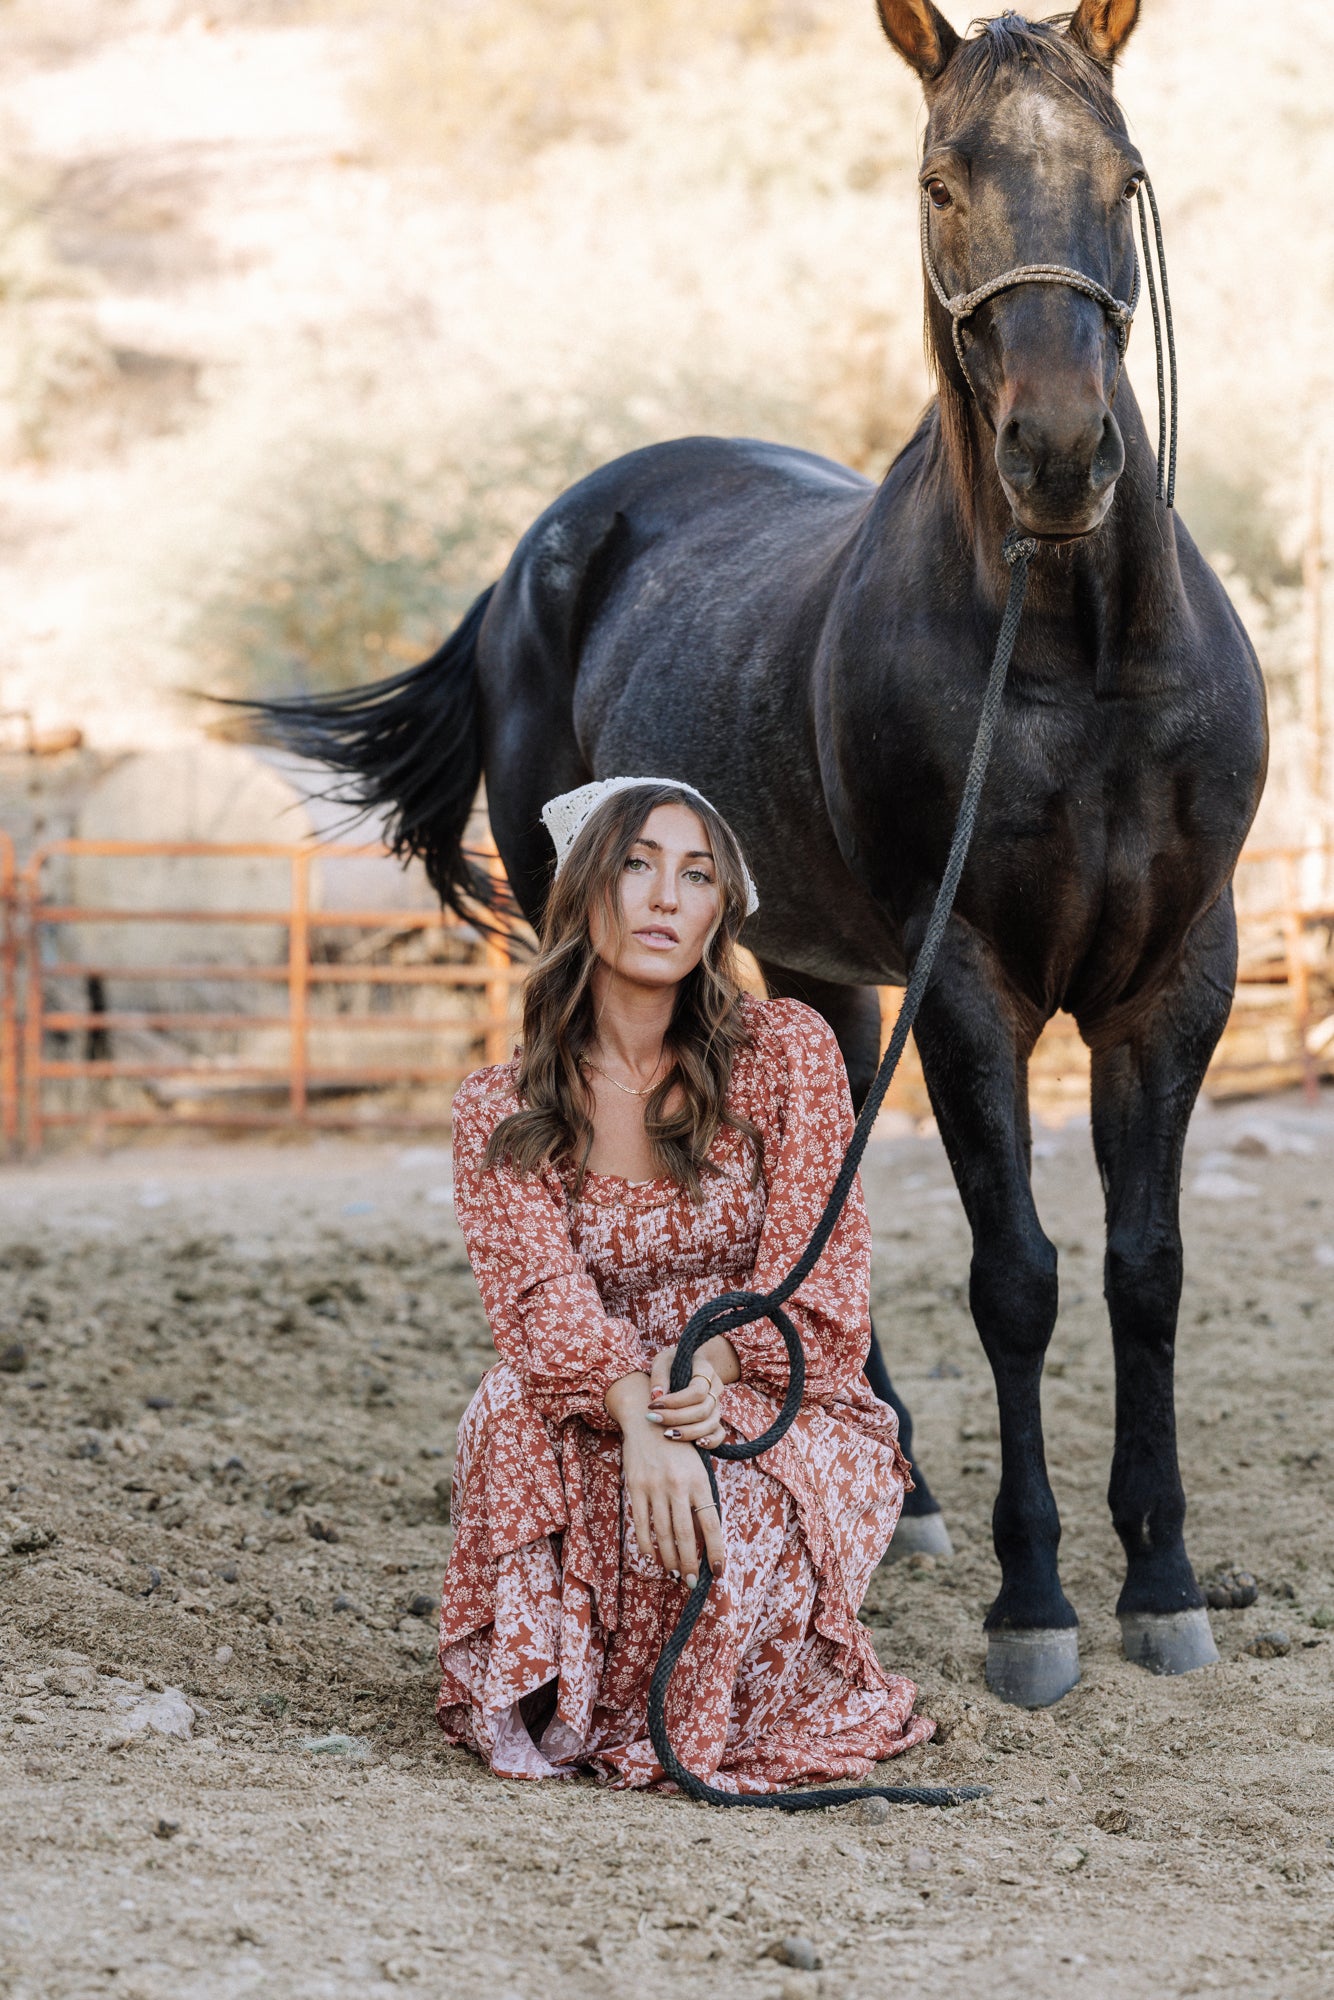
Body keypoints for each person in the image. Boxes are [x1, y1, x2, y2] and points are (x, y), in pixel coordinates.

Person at [437, 776, 933, 1791]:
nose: (664, 896)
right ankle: (581, 1701)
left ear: (717, 914)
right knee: (501, 1410)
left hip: (756, 1379)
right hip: (601, 1387)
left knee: (725, 1501)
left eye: (695, 875)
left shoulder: (785, 1052)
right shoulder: (499, 1104)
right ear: (581, 892)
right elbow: (538, 1300)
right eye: (637, 864)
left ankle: (700, 1696)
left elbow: (822, 1270)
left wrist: (704, 1357)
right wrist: (641, 1416)